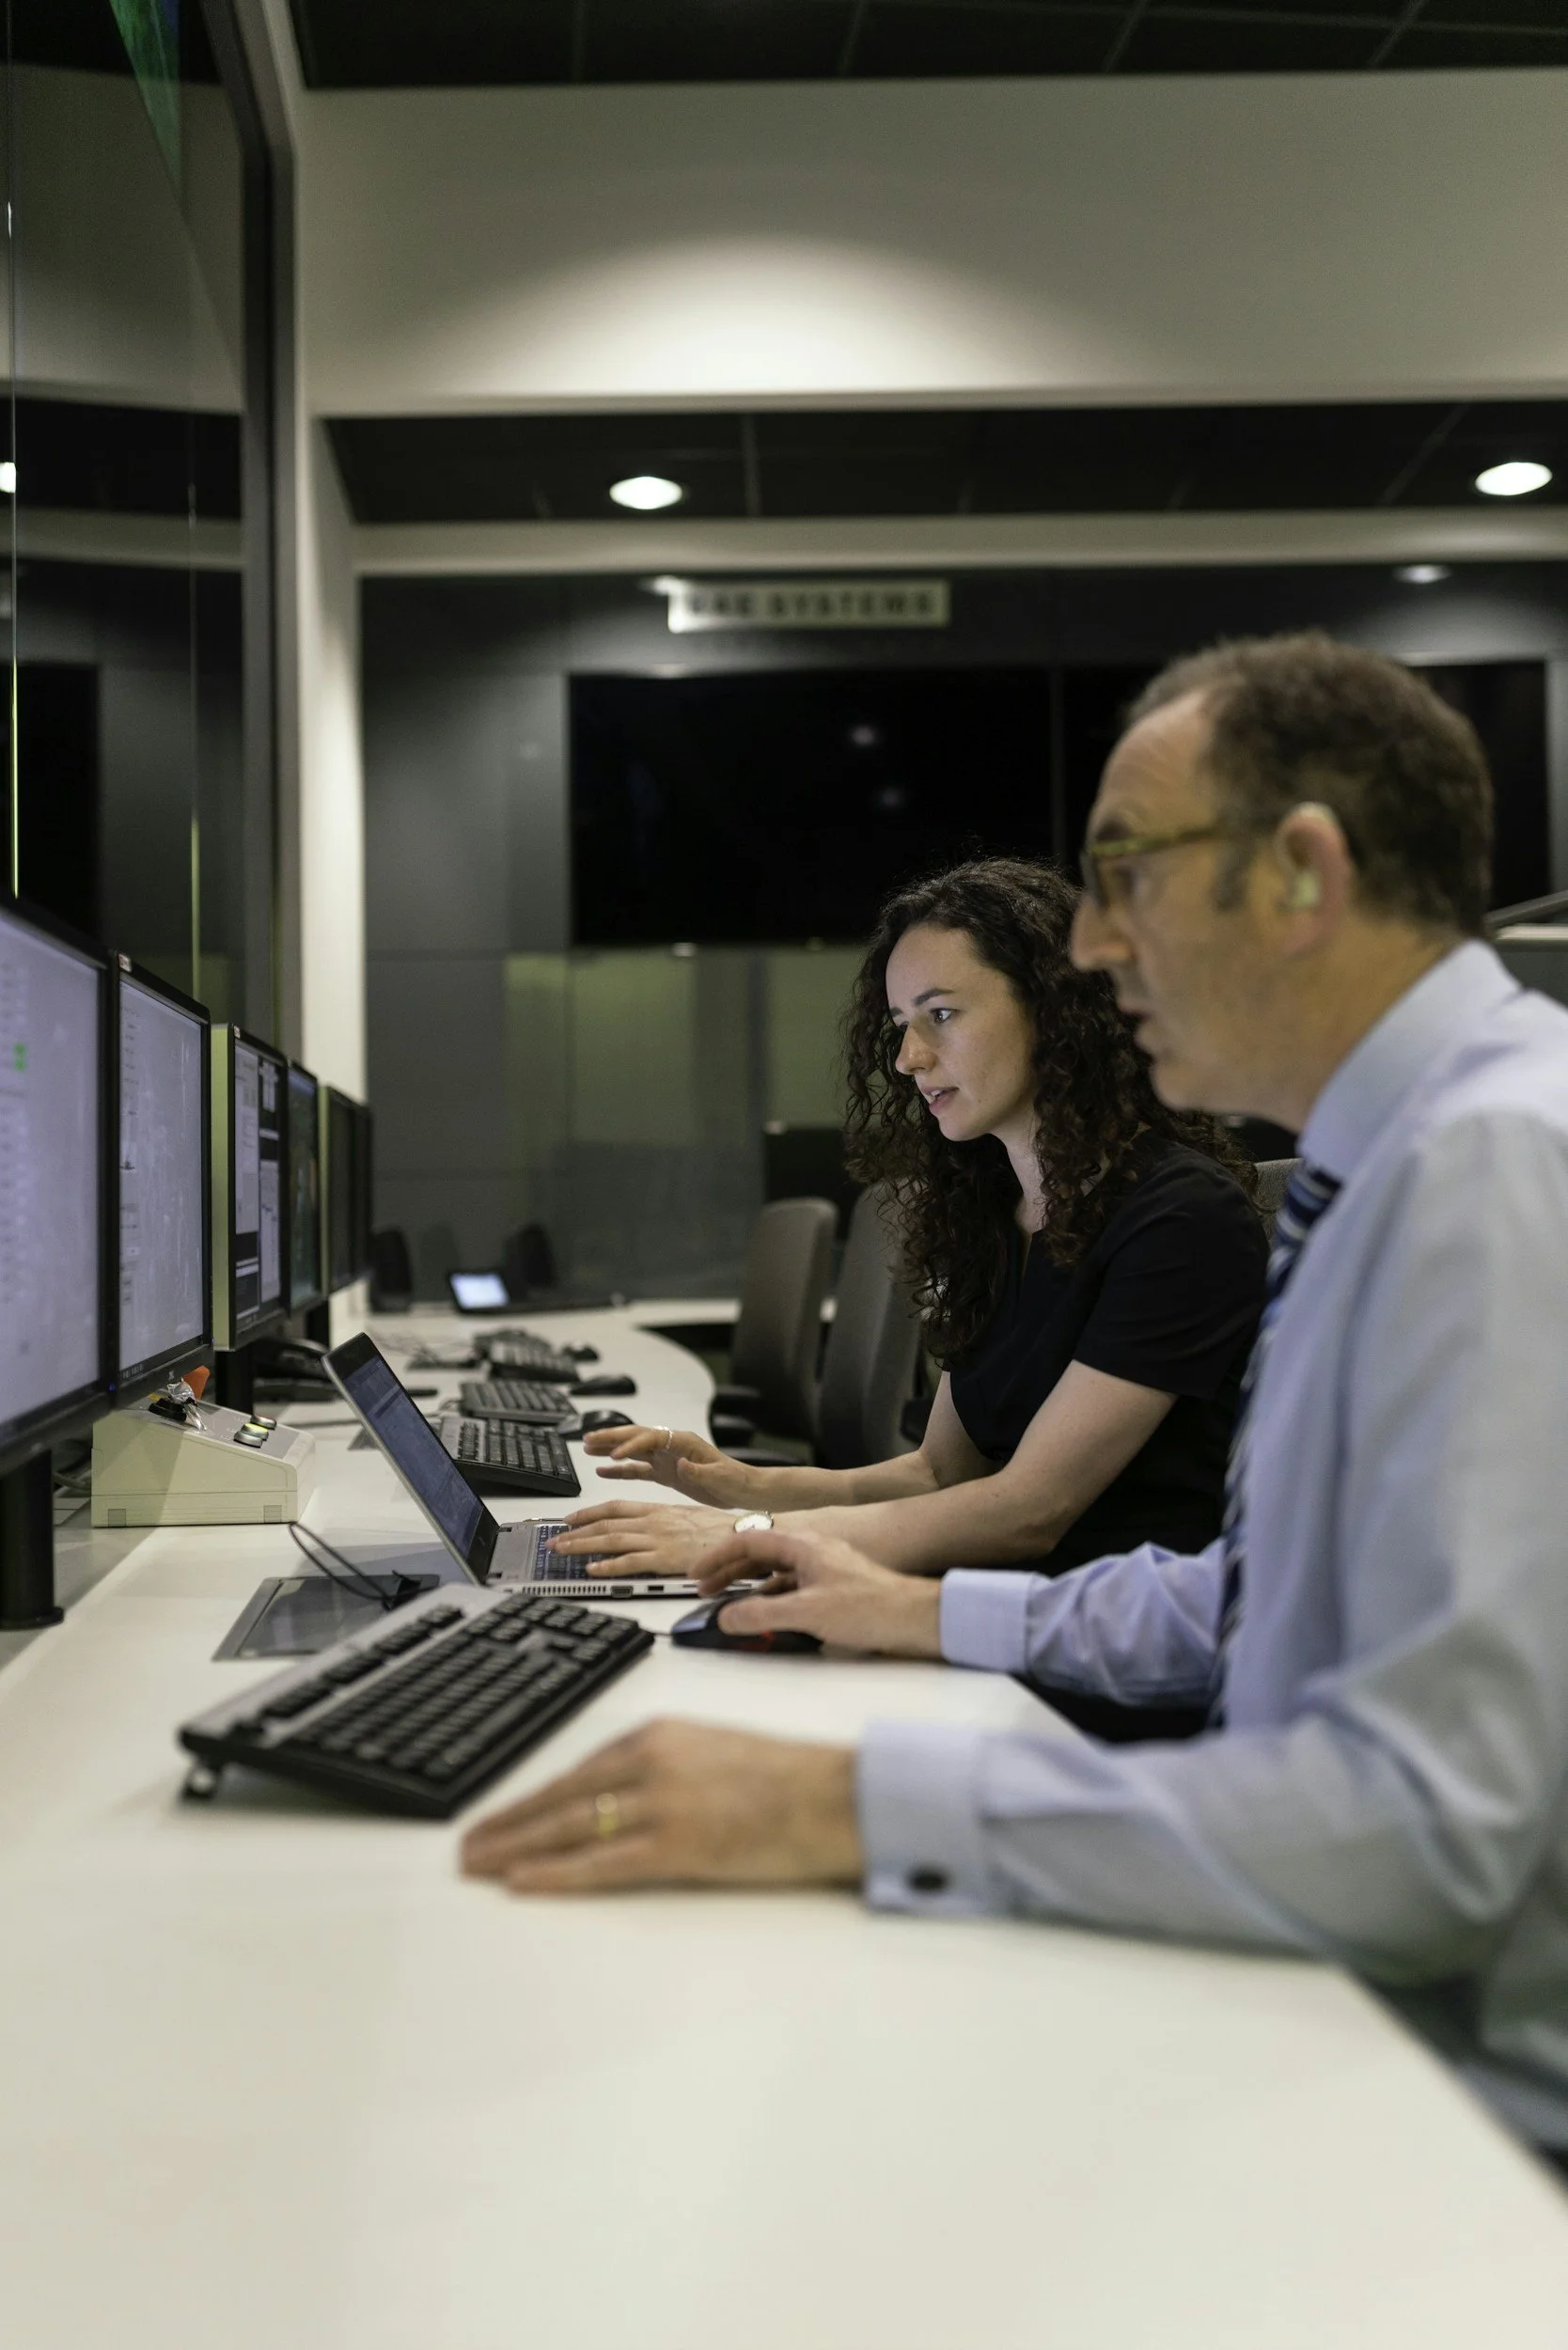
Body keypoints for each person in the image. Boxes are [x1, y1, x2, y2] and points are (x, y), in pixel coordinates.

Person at [462, 634, 1568, 2161]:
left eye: (1126, 877)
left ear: (1301, 874)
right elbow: (1253, 1604)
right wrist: (917, 1615)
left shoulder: (1491, 1173)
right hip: (1344, 1975)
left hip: (1455, 2103)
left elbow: (1424, 1831)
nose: (1097, 949)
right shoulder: (1385, 1170)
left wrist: (854, 1806)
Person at [550, 858, 1265, 1592]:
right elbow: (938, 1474)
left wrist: (742, 1538)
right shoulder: (989, 1213)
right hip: (980, 1608)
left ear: (1055, 1007)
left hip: (1095, 1648)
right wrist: (741, 1486)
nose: (908, 1058)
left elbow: (1029, 1509)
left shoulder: (1182, 1218)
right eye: (900, 1026)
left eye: (942, 1015)